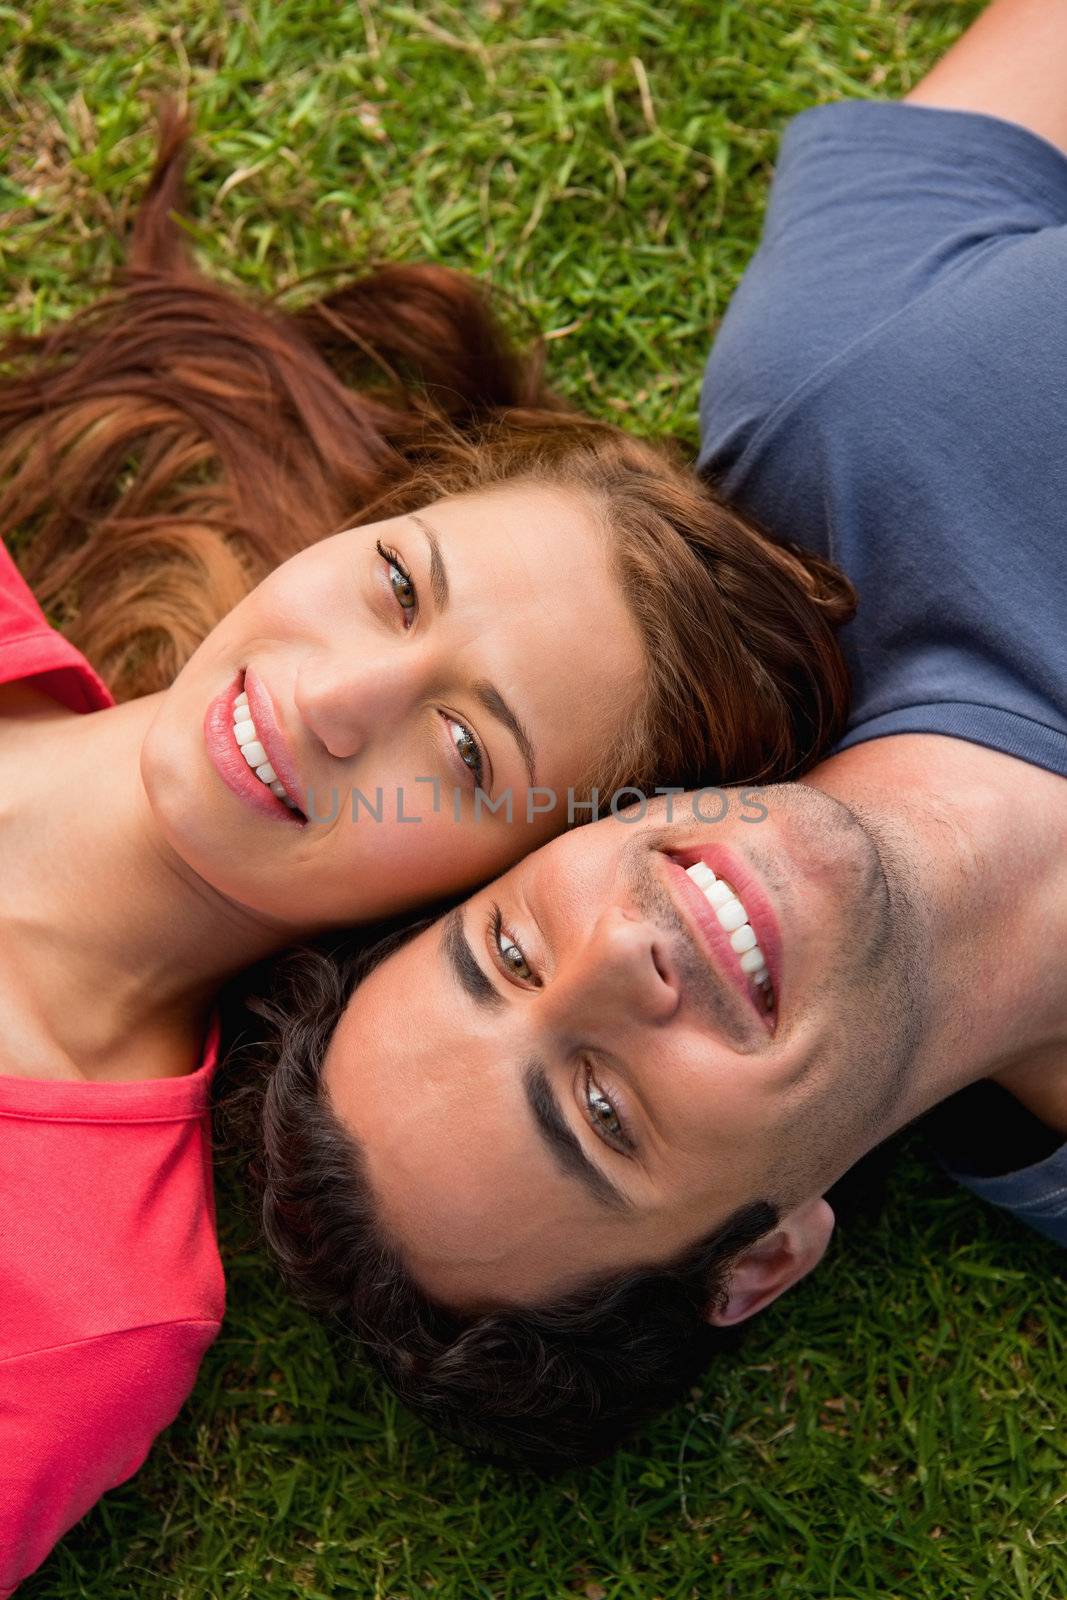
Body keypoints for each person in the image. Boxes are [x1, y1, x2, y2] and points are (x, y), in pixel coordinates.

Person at [0, 114, 855, 1591]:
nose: (336, 700)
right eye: (400, 586)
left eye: (466, 756)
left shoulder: (93, 1295)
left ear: (481, 894)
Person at [231, 0, 1067, 1467]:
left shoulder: (846, 394)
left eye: (509, 953)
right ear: (765, 1260)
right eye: (607, 1110)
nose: (626, 956)